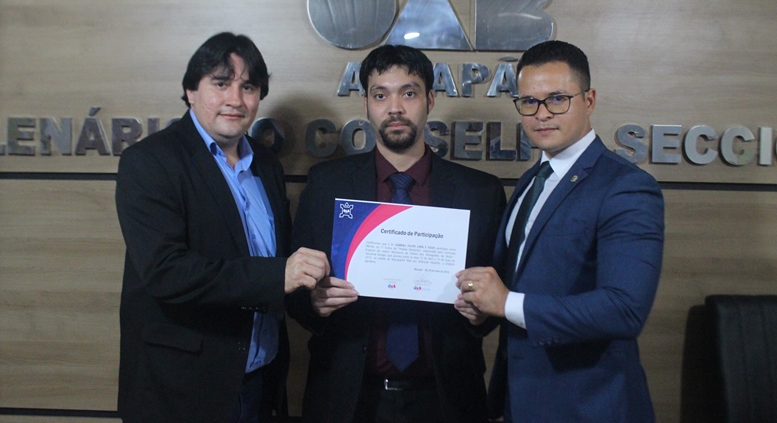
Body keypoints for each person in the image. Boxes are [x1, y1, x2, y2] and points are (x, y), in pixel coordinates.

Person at [114, 32, 329, 423]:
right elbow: (166, 272)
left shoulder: (266, 165)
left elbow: (278, 266)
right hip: (183, 391)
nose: (236, 99)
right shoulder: (150, 162)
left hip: (261, 384)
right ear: (190, 91)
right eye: (220, 83)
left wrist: (312, 298)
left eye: (248, 87)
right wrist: (279, 275)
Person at [285, 45, 506, 423]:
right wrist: (315, 304)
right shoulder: (327, 185)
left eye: (409, 93)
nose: (395, 108)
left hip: (447, 399)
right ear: (366, 104)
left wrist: (479, 314)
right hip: (347, 399)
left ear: (430, 100)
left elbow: (498, 293)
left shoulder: (480, 192)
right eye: (380, 95)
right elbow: (294, 293)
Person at [455, 40, 665, 422]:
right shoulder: (531, 181)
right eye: (529, 102)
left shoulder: (626, 187)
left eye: (557, 99)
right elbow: (516, 284)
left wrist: (506, 303)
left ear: (589, 100)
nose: (542, 114)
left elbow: (624, 309)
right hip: (517, 400)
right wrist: (483, 310)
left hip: (589, 406)